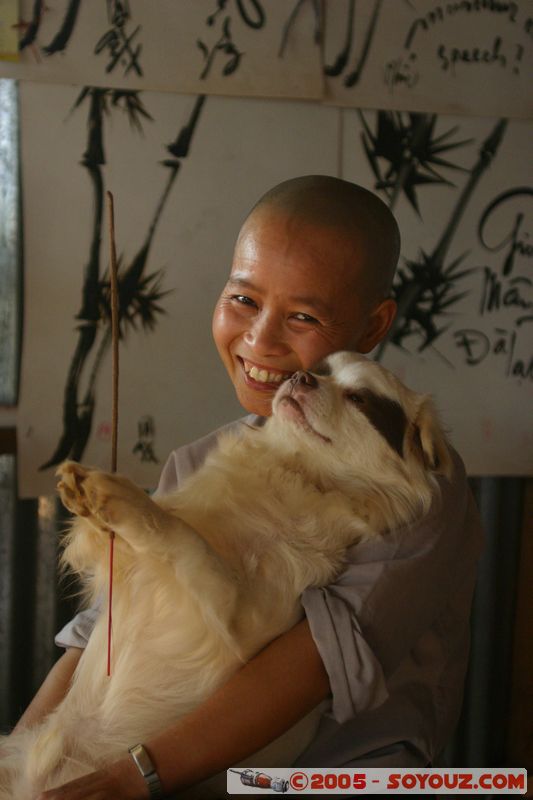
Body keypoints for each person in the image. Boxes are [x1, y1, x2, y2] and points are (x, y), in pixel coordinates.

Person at [16, 175, 482, 799]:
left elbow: (313, 662)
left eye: (304, 316)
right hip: (171, 776)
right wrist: (23, 762)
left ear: (373, 325)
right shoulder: (200, 461)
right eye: (243, 299)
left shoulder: (408, 479)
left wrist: (130, 780)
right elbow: (103, 635)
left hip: (337, 780)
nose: (260, 339)